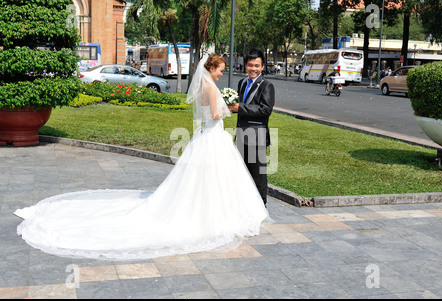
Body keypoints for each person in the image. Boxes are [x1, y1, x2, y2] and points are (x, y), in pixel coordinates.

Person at [13, 54, 271, 260]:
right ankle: (216, 214)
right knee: (214, 178)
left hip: (205, 137)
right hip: (213, 137)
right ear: (211, 69)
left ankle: (212, 209)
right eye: (220, 69)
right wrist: (227, 109)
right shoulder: (212, 89)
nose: (222, 73)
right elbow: (215, 115)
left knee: (204, 179)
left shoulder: (205, 87)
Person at [228, 49, 275, 206]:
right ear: (245, 66)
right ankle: (245, 205)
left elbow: (265, 110)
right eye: (250, 65)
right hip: (241, 134)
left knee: (258, 175)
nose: (253, 69)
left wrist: (239, 108)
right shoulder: (242, 83)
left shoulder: (267, 86)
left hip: (257, 137)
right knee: (242, 173)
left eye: (257, 65)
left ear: (262, 67)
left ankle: (261, 206)